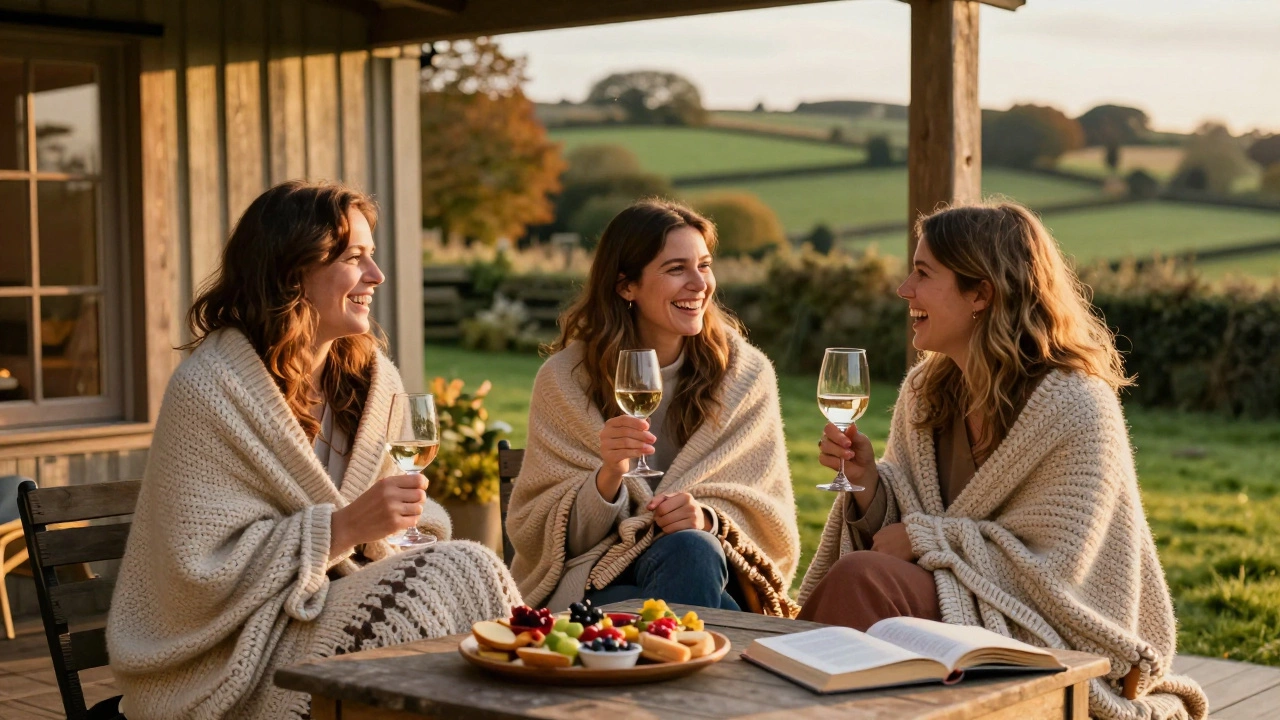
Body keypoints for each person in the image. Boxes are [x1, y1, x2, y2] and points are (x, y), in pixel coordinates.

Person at [107, 181, 521, 720]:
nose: (376, 277)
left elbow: (408, 520)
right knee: (433, 587)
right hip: (242, 646)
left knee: (471, 567)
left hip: (340, 601)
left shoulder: (374, 381)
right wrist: (343, 529)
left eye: (372, 257)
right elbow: (195, 572)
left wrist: (394, 526)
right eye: (354, 258)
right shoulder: (210, 387)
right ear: (292, 270)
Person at [797, 202, 1207, 720]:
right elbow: (899, 527)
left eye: (923, 274)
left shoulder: (1075, 403)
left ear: (981, 293)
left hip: (1043, 619)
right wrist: (868, 485)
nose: (905, 290)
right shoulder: (925, 392)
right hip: (957, 601)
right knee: (865, 578)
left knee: (863, 580)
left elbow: (1059, 570)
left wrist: (926, 539)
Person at [507, 199, 800, 616]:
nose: (699, 284)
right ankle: (698, 662)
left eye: (704, 264)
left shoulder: (745, 376)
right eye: (676, 269)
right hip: (602, 578)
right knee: (707, 595)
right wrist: (608, 476)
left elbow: (767, 514)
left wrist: (708, 520)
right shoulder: (566, 380)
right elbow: (542, 534)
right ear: (627, 286)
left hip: (712, 565)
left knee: (691, 548)